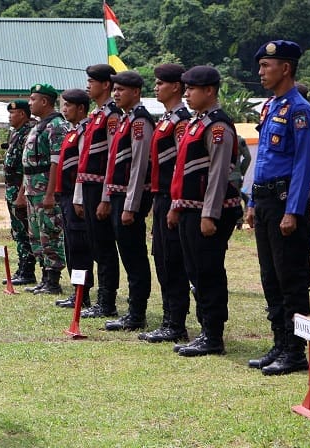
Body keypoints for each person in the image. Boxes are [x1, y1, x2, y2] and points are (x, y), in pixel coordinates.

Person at [245, 40, 310, 375]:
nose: (260, 72)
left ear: (285, 68)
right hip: (266, 200)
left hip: (286, 201)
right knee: (270, 277)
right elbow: (263, 160)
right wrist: (252, 200)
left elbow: (304, 164)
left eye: (266, 66)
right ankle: (280, 342)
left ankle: (296, 351)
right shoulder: (271, 107)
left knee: (291, 279)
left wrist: (294, 211)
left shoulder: (299, 110)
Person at [167, 65, 242, 357]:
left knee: (208, 270)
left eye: (192, 88)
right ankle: (205, 330)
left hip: (209, 211)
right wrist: (176, 205)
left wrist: (210, 214)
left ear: (209, 91)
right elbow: (181, 170)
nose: (186, 94)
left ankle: (213, 334)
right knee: (195, 270)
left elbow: (219, 174)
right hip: (190, 209)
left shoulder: (218, 126)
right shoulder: (198, 123)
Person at [139, 64, 192, 343]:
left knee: (172, 260)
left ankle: (176, 321)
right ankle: (168, 317)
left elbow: (181, 166)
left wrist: (175, 203)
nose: (156, 87)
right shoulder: (166, 119)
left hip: (172, 197)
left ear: (175, 87)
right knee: (161, 257)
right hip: (160, 196)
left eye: (161, 83)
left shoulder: (181, 120)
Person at [101, 71, 155, 332]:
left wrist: (131, 205)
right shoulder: (126, 119)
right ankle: (133, 312)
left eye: (122, 89)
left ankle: (137, 313)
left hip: (130, 197)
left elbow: (139, 165)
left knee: (134, 257)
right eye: (115, 89)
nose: (116, 94)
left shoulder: (139, 121)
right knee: (127, 254)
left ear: (136, 92)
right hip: (119, 194)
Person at [73, 64, 123, 318]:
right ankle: (102, 299)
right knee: (94, 244)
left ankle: (107, 300)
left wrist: (106, 197)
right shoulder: (96, 115)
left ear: (106, 85)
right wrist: (80, 195)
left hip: (102, 187)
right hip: (89, 186)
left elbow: (112, 157)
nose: (88, 85)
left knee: (104, 246)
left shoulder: (112, 115)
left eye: (92, 81)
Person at [14, 83, 68, 295]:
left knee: (50, 232)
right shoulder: (38, 125)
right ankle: (45, 278)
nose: (30, 103)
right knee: (36, 234)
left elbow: (57, 161)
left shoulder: (56, 126)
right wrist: (22, 194)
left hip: (45, 188)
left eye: (33, 99)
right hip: (32, 188)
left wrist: (51, 193)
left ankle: (53, 280)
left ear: (45, 101)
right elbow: (27, 166)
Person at [53, 88, 94, 309]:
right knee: (70, 245)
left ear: (81, 108)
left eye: (68, 105)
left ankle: (82, 293)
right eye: (63, 105)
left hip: (75, 196)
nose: (64, 109)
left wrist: (78, 198)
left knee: (79, 247)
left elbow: (82, 167)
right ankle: (77, 291)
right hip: (66, 196)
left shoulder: (85, 131)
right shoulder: (72, 131)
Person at [2, 100, 38, 286]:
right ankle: (22, 267)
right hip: (12, 188)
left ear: (23, 114)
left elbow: (26, 166)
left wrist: (22, 193)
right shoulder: (16, 133)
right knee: (17, 230)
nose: (10, 116)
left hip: (20, 189)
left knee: (24, 230)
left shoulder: (29, 133)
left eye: (13, 113)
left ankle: (28, 269)